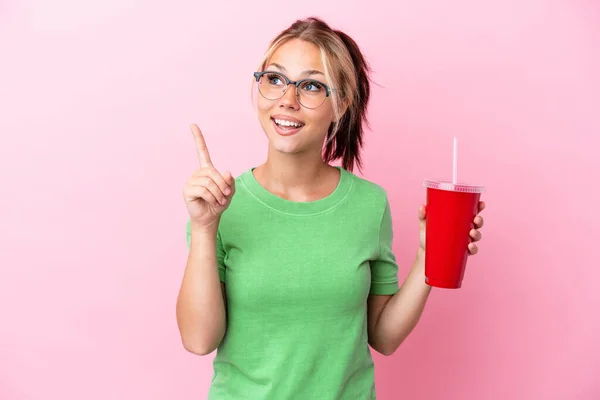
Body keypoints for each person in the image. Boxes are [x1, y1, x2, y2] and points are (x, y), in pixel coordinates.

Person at [176, 17, 485, 400]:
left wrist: (429, 254)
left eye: (310, 86)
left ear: (342, 104)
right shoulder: (221, 205)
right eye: (274, 79)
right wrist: (205, 227)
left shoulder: (369, 204)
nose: (287, 100)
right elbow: (198, 339)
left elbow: (383, 338)